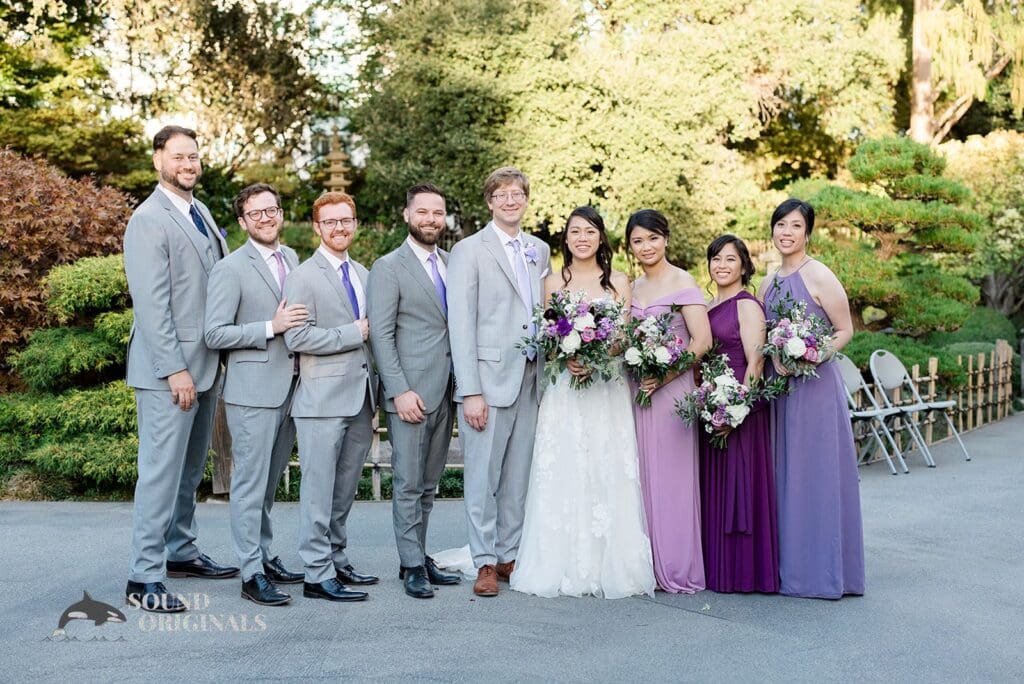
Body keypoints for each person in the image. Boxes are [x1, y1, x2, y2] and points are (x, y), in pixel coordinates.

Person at [510, 207, 655, 599]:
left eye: (590, 231)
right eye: (575, 231)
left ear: (601, 238)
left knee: (605, 463)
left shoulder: (620, 281)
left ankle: (612, 563)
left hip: (606, 386)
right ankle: (562, 561)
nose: (583, 238)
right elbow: (548, 333)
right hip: (564, 389)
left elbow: (624, 335)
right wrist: (568, 355)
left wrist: (597, 351)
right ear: (566, 238)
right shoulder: (552, 281)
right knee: (566, 465)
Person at [123, 125, 237, 613]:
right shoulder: (148, 219)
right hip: (168, 373)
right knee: (160, 472)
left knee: (191, 470)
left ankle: (181, 551)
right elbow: (152, 306)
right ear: (157, 161)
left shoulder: (200, 211)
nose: (188, 164)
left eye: (193, 156)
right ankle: (143, 576)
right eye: (178, 157)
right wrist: (175, 370)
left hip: (205, 365)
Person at [447, 167, 551, 597]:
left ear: (526, 200)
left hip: (531, 376)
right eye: (502, 194)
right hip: (487, 381)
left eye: (517, 194)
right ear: (489, 202)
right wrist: (470, 390)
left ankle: (509, 554)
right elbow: (460, 322)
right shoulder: (468, 250)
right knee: (482, 478)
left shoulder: (539, 250)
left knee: (517, 475)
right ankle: (484, 561)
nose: (510, 201)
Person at [203, 183, 308, 606]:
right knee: (248, 485)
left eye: (272, 210)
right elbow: (215, 333)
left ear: (281, 214)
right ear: (243, 222)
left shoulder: (293, 258)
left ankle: (264, 556)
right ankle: (250, 574)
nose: (266, 218)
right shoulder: (230, 268)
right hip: (251, 393)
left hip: (292, 388)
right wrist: (271, 327)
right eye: (256, 214)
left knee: (266, 486)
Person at [757, 198, 864, 599]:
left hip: (815, 388)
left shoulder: (819, 274)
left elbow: (844, 330)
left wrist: (810, 354)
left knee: (815, 475)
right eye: (780, 224)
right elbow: (762, 333)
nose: (786, 232)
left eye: (795, 226)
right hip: (779, 389)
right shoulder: (767, 283)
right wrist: (775, 354)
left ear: (808, 233)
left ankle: (822, 573)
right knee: (784, 474)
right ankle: (788, 570)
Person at [367, 184, 462, 599]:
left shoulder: (452, 263)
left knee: (428, 482)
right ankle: (409, 565)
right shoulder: (388, 267)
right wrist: (399, 390)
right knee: (407, 482)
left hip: (448, 388)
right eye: (422, 212)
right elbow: (381, 336)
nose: (430, 219)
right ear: (407, 216)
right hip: (411, 393)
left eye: (437, 212)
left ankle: (420, 554)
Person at [283, 191, 379, 603]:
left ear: (354, 224)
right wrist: (350, 333)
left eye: (346, 221)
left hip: (361, 397)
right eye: (331, 222)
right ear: (317, 227)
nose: (340, 228)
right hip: (321, 401)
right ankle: (316, 574)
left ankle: (337, 560)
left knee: (343, 490)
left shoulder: (363, 271)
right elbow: (297, 336)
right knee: (319, 491)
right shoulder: (303, 275)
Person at [627, 209, 711, 594]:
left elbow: (702, 341)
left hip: (672, 390)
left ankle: (676, 566)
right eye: (637, 241)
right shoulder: (633, 287)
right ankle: (648, 564)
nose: (645, 247)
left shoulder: (683, 280)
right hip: (637, 389)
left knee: (673, 479)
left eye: (652, 238)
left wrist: (665, 375)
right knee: (642, 477)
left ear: (666, 239)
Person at [699, 235, 779, 593]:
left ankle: (744, 572)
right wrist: (712, 406)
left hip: (740, 407)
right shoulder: (707, 304)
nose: (722, 265)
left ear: (744, 266)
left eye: (730, 259)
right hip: (712, 404)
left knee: (740, 486)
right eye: (716, 259)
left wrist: (735, 411)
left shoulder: (747, 305)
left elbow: (756, 361)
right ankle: (718, 570)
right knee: (717, 484)